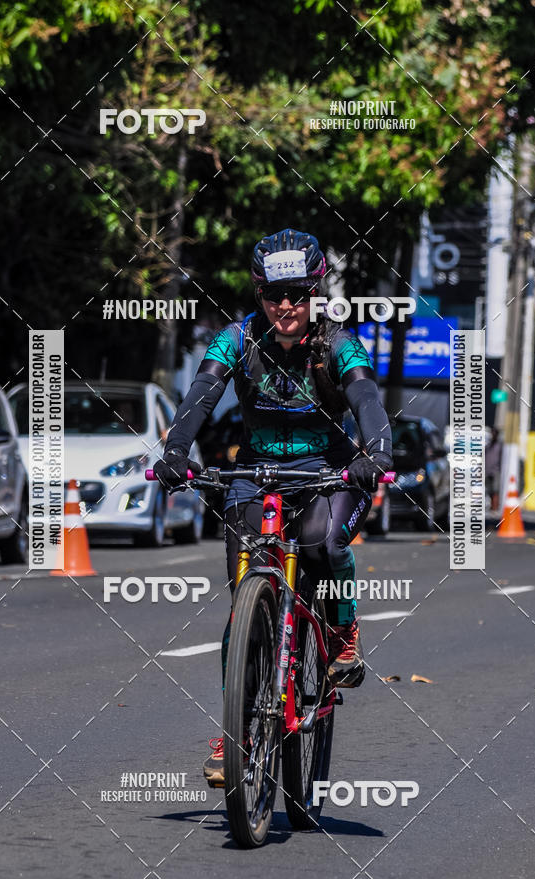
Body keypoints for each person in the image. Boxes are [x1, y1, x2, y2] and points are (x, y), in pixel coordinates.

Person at [153, 228, 393, 785]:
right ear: (258, 295)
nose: (285, 306)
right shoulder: (235, 340)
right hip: (255, 471)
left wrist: (375, 452)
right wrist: (174, 452)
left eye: (297, 294)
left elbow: (365, 398)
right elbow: (201, 397)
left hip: (328, 472)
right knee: (243, 607)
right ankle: (235, 731)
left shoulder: (338, 345)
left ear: (315, 292)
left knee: (322, 543)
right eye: (272, 295)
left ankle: (341, 636)